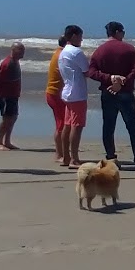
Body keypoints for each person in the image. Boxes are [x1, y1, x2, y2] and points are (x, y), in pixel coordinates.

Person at [87, 20, 135, 171]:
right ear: (117, 32)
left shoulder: (100, 51)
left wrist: (109, 78)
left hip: (107, 91)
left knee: (108, 126)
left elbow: (92, 72)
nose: (123, 34)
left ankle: (110, 157)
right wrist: (123, 80)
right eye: (123, 32)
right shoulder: (128, 49)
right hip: (125, 92)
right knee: (133, 126)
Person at [56, 25, 89, 168]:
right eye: (80, 36)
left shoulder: (63, 52)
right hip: (77, 93)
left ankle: (66, 157)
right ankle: (74, 158)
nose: (81, 39)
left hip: (68, 91)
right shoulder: (76, 52)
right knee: (77, 125)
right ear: (74, 36)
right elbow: (87, 71)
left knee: (68, 125)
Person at [0, 40, 25, 151]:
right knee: (7, 119)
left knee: (13, 117)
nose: (23, 52)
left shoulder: (15, 62)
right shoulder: (7, 63)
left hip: (13, 95)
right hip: (6, 95)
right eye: (20, 50)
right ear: (13, 50)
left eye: (23, 50)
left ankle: (7, 141)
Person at [45, 33, 68, 162]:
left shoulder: (58, 53)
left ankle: (62, 153)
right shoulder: (61, 55)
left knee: (62, 123)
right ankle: (59, 154)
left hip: (54, 93)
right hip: (55, 94)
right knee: (62, 124)